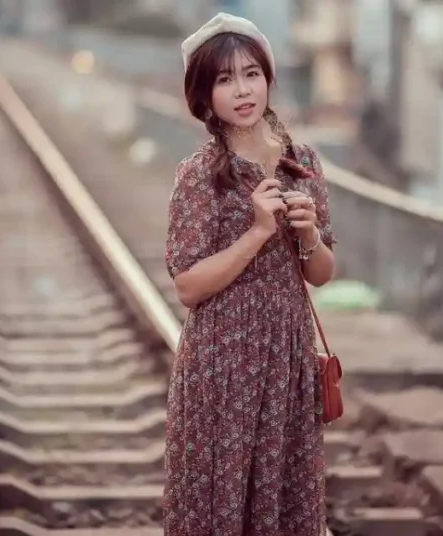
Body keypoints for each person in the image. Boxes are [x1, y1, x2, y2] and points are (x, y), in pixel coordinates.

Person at [162, 12, 337, 536]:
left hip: (286, 357)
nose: (242, 90)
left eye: (251, 74)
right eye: (224, 79)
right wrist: (258, 232)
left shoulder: (301, 163)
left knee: (285, 504)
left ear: (268, 77)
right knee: (218, 505)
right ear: (205, 96)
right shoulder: (200, 175)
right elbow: (189, 287)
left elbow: (322, 274)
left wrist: (308, 236)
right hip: (221, 363)